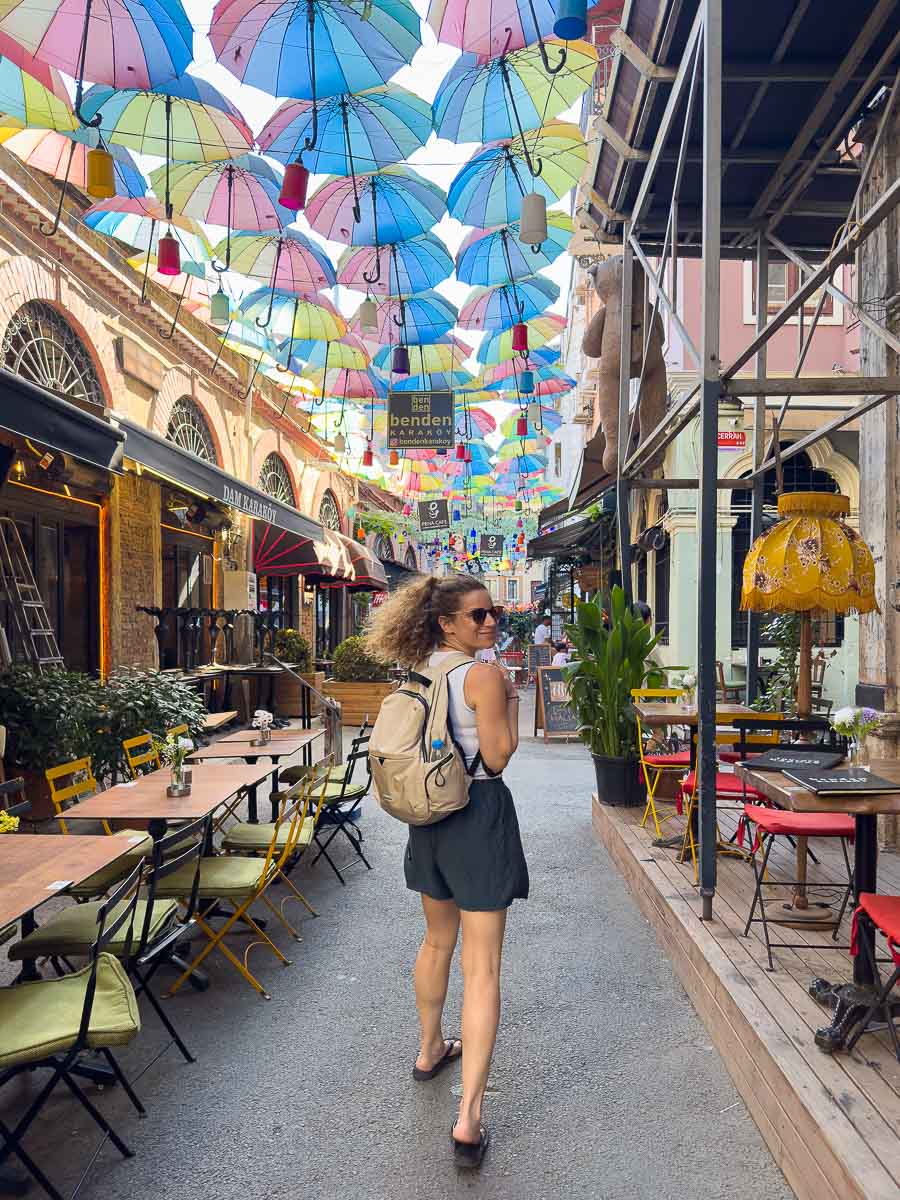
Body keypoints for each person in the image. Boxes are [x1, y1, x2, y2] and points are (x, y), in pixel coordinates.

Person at [365, 575, 528, 1169]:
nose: (490, 623)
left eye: (494, 613)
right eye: (478, 615)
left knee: (437, 939)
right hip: (477, 813)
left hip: (428, 816)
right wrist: (508, 701)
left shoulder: (421, 671)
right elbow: (499, 755)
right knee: (481, 966)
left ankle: (430, 1047)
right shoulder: (481, 675)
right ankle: (468, 1119)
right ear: (447, 623)